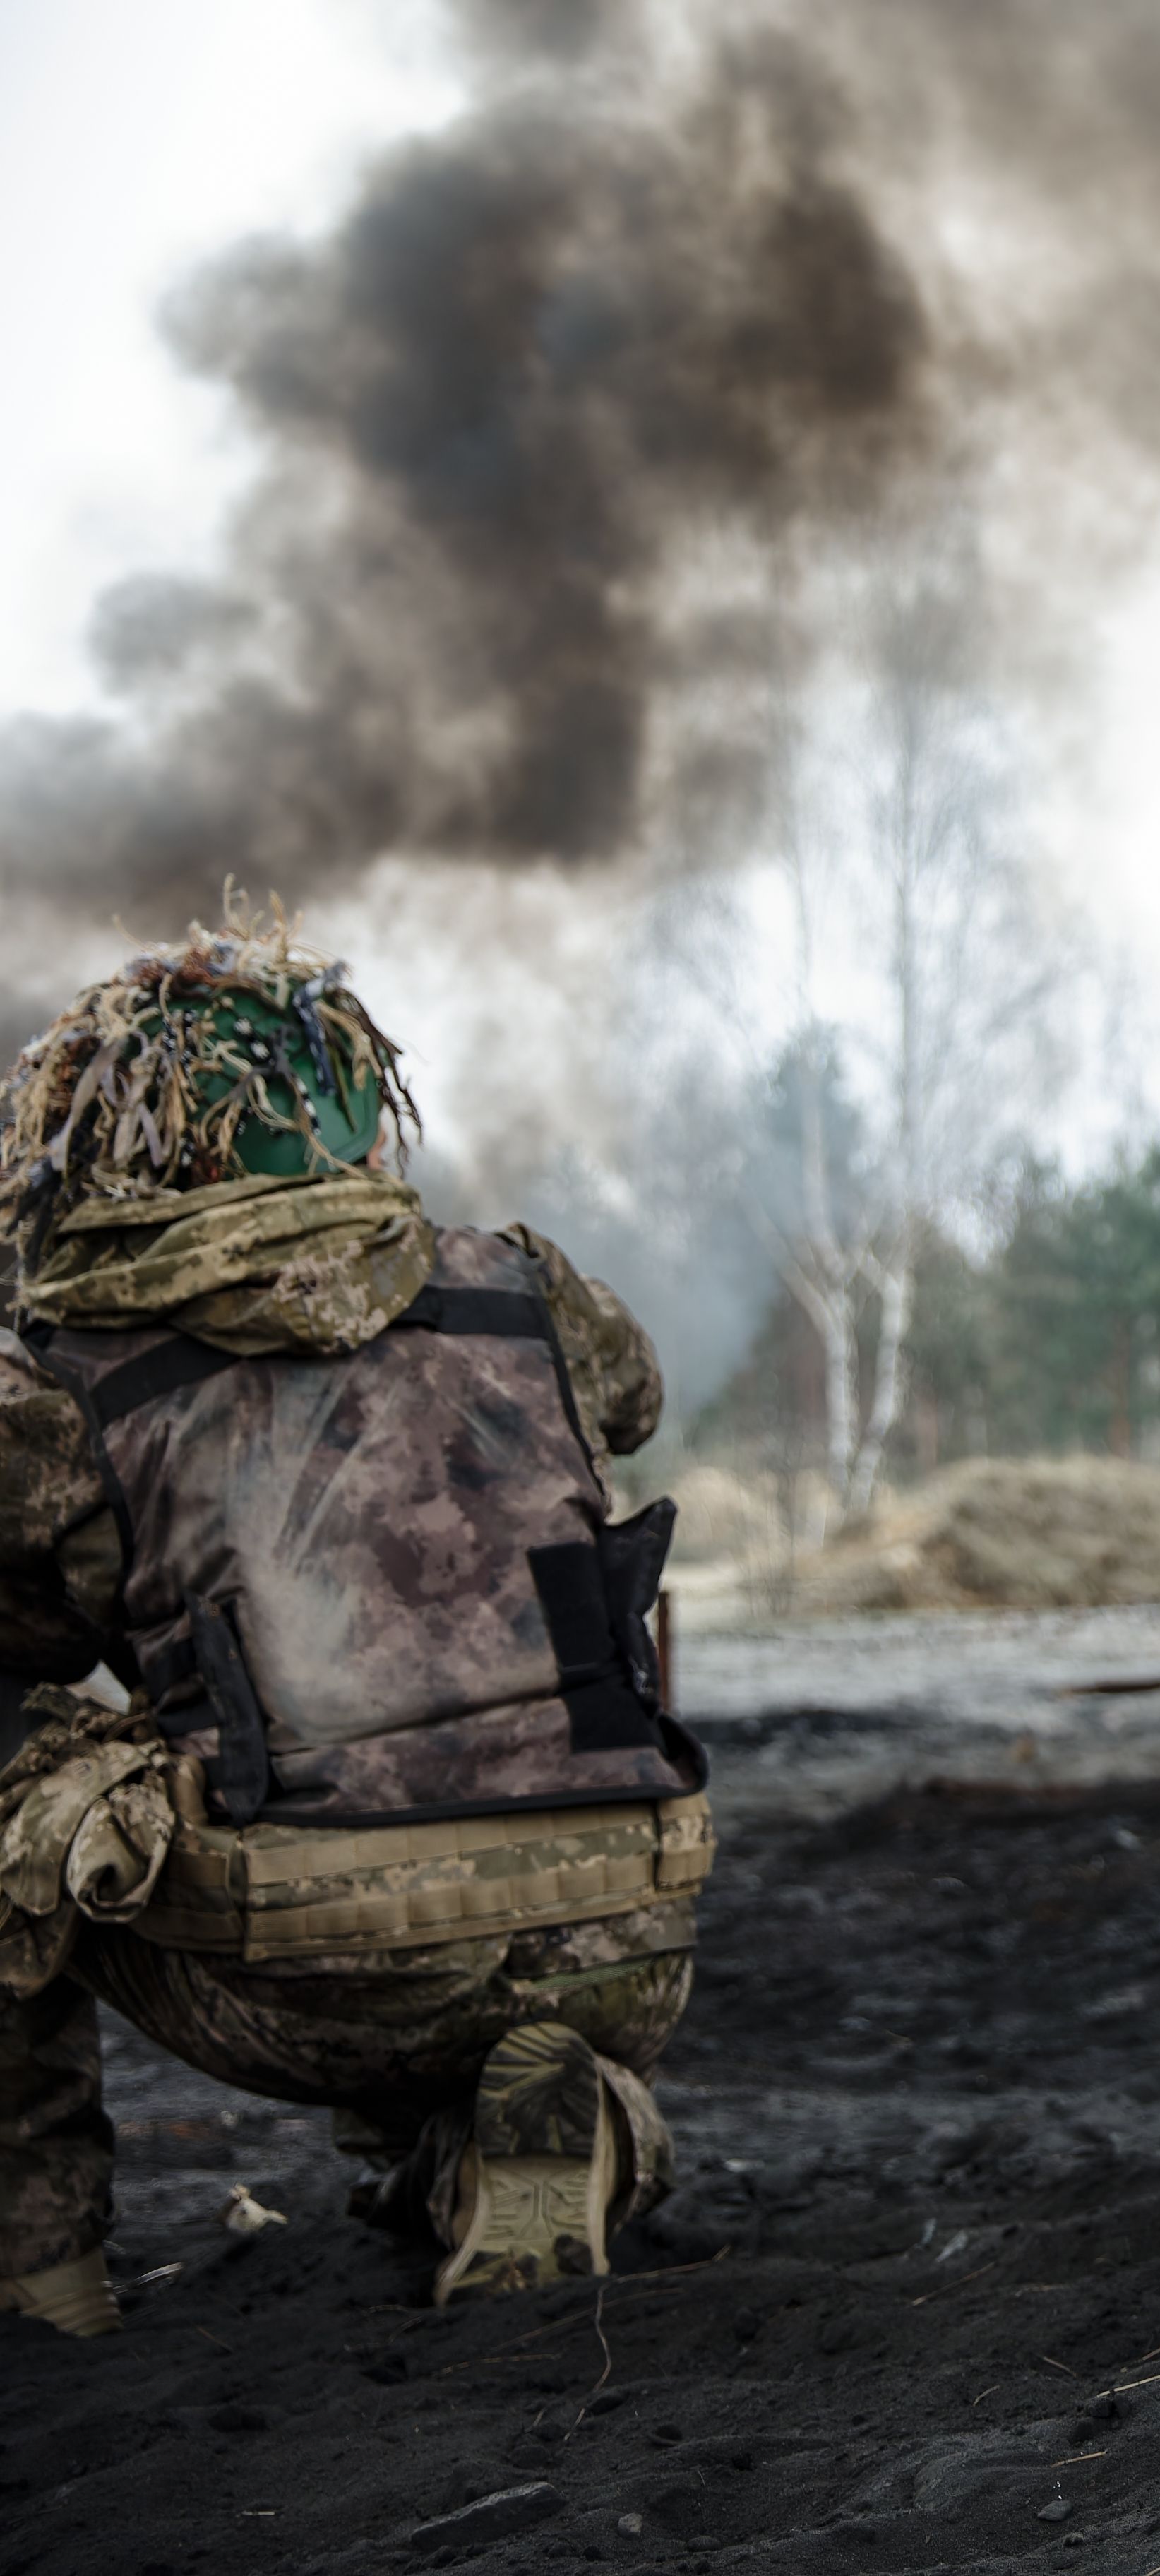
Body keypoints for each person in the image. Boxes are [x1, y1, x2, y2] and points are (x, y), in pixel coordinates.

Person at [0, 915, 703, 2337]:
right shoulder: (525, 1285)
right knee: (433, 1875)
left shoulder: (68, 1372)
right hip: (628, 1911)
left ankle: (44, 2275)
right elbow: (628, 1399)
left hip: (323, 1957)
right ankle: (540, 2133)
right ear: (352, 1114)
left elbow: (30, 1627)